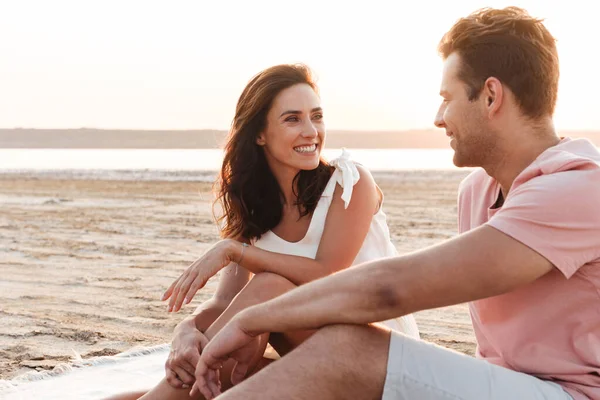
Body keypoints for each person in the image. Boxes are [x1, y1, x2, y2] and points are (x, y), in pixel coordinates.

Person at [189, 7, 600, 400]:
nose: (439, 117)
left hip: (570, 393)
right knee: (288, 365)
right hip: (501, 382)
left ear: (491, 96)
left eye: (447, 97)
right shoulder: (477, 190)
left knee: (347, 349)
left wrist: (253, 318)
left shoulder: (577, 186)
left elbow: (390, 289)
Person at [106, 64, 419, 400]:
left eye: (316, 116)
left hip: (380, 365)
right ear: (259, 134)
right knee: (126, 398)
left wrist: (234, 251)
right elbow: (227, 303)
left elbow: (328, 273)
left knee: (270, 285)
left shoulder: (349, 183)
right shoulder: (255, 207)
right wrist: (185, 331)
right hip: (317, 363)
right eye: (293, 119)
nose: (311, 131)